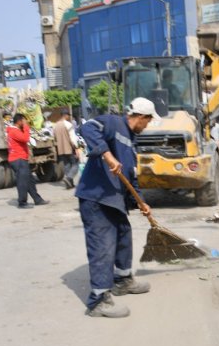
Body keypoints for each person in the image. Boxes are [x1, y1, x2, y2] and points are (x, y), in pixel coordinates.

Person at [75, 97, 157, 318]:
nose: (147, 126)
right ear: (140, 117)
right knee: (102, 246)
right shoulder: (113, 123)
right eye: (147, 121)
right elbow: (87, 128)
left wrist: (141, 202)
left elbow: (132, 178)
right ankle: (98, 301)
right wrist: (108, 155)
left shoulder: (130, 142)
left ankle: (122, 280)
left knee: (123, 237)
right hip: (96, 198)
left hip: (115, 201)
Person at [7, 113, 48, 209]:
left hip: (20, 159)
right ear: (19, 121)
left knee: (30, 180)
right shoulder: (14, 131)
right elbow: (25, 138)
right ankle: (22, 202)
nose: (25, 122)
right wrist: (26, 126)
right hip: (18, 159)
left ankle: (37, 199)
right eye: (23, 121)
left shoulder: (14, 130)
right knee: (22, 182)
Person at [53, 110, 80, 189]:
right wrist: (76, 148)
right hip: (69, 149)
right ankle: (68, 178)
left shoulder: (56, 126)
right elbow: (73, 138)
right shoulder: (68, 124)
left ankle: (69, 184)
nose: (69, 117)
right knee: (76, 165)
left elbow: (54, 138)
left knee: (66, 165)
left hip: (61, 150)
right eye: (68, 115)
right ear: (65, 115)